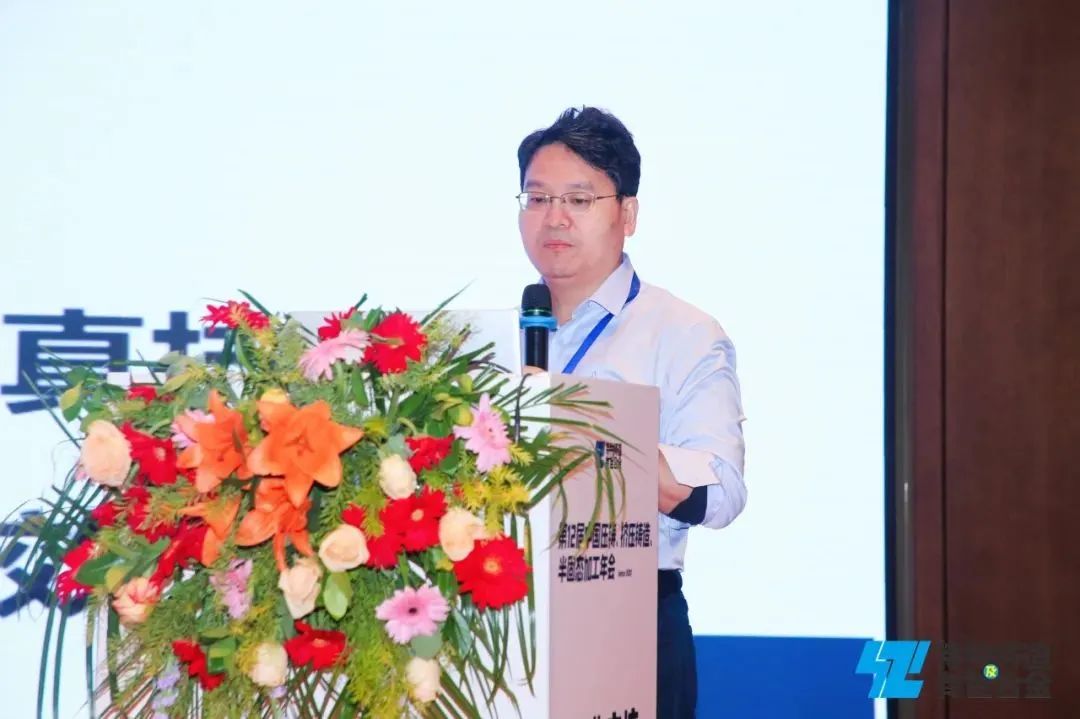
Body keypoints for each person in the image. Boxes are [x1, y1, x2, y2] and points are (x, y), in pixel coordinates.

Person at [515, 107, 747, 719]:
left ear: (628, 213)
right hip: (505, 620)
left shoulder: (682, 333)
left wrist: (586, 436)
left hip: (628, 616)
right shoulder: (495, 340)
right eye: (537, 198)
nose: (554, 217)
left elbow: (721, 492)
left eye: (579, 199)